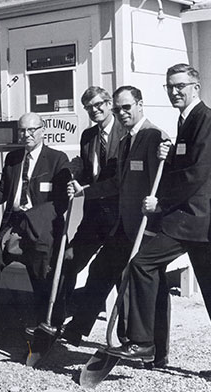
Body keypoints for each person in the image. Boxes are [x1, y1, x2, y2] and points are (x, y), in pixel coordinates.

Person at [107, 64, 211, 365]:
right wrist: (170, 154)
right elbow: (185, 164)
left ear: (196, 86)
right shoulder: (186, 121)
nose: (174, 91)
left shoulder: (203, 119)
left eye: (180, 85)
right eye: (170, 86)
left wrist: (161, 204)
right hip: (193, 219)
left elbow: (197, 174)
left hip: (193, 218)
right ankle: (146, 344)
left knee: (141, 264)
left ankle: (142, 343)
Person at [66, 86, 171, 367]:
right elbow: (118, 183)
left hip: (146, 226)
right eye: (119, 109)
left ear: (139, 104)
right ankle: (132, 342)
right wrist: (85, 191)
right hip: (124, 226)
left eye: (127, 107)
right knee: (102, 269)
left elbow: (166, 182)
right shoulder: (127, 141)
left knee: (151, 286)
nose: (122, 113)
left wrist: (157, 210)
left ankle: (157, 352)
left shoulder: (155, 137)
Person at [0, 112, 70, 335]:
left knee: (40, 269)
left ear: (42, 131)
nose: (27, 135)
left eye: (31, 130)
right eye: (22, 130)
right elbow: (3, 193)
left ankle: (45, 322)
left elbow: (60, 203)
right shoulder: (13, 159)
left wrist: (34, 219)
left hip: (41, 228)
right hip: (13, 224)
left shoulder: (57, 159)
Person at [58, 86, 125, 325]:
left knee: (119, 274)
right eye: (89, 107)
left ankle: (127, 337)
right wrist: (73, 177)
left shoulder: (125, 132)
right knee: (69, 259)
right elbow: (88, 171)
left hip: (119, 218)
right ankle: (57, 319)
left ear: (109, 104)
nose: (94, 110)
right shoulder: (88, 136)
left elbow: (120, 179)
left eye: (98, 105)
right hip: (93, 216)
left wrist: (86, 189)